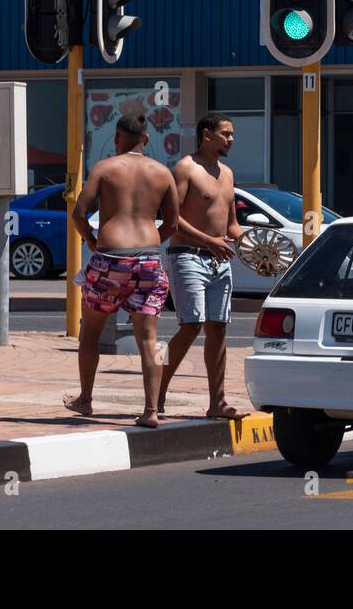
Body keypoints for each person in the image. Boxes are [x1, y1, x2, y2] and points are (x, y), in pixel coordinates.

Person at [64, 114, 180, 428]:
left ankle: (85, 400)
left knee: (90, 332)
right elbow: (172, 224)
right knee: (150, 339)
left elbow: (78, 213)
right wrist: (151, 243)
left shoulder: (104, 168)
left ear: (117, 138)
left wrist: (91, 239)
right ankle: (151, 410)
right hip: (148, 260)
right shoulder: (162, 172)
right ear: (145, 139)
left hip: (110, 258)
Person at [157, 112, 247, 420]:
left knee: (218, 330)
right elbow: (172, 218)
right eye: (225, 134)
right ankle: (156, 389)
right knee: (190, 326)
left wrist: (258, 245)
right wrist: (209, 240)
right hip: (187, 255)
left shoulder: (228, 174)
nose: (231, 139)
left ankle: (217, 403)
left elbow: (231, 225)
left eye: (232, 134)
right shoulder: (186, 168)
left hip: (218, 261)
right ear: (206, 135)